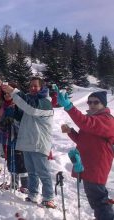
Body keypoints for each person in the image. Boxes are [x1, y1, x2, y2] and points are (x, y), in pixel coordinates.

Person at [56, 88, 114, 220]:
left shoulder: (106, 120)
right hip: (87, 165)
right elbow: (82, 140)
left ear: (104, 104)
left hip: (97, 166)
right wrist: (70, 132)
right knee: (97, 200)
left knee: (99, 202)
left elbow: (86, 123)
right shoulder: (94, 119)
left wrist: (69, 106)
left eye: (96, 102)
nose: (92, 105)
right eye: (89, 102)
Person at [1, 77, 55, 208]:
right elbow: (23, 115)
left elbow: (32, 109)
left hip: (39, 142)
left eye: (35, 86)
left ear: (42, 88)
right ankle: (33, 194)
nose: (32, 88)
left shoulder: (45, 102)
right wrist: (13, 112)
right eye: (31, 86)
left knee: (43, 172)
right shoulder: (31, 102)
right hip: (27, 142)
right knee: (31, 172)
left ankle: (48, 197)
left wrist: (14, 91)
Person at [0, 84, 28, 192]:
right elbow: (1, 122)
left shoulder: (21, 106)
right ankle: (14, 182)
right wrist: (4, 123)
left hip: (20, 139)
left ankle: (25, 184)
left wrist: (14, 122)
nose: (7, 95)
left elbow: (24, 121)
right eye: (5, 94)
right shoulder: (5, 107)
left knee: (22, 162)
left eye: (9, 93)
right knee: (11, 161)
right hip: (9, 138)